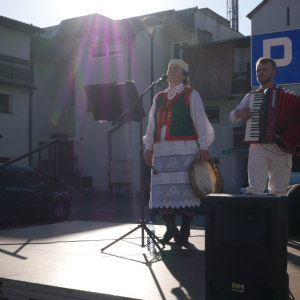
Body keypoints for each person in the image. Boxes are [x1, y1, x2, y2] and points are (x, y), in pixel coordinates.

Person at [143, 59, 214, 245]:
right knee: (162, 191)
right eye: (169, 69)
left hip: (186, 148)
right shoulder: (158, 97)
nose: (171, 71)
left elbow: (200, 121)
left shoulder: (191, 94)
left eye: (176, 69)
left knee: (187, 190)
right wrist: (148, 147)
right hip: (161, 150)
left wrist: (204, 146)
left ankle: (185, 230)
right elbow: (150, 126)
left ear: (184, 75)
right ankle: (170, 228)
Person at [229, 57, 292, 196]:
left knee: (279, 192)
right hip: (257, 146)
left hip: (282, 148)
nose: (261, 73)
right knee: (255, 190)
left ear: (274, 72)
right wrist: (237, 112)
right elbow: (232, 117)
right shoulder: (251, 96)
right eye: (258, 70)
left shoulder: (285, 95)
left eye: (264, 69)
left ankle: (277, 218)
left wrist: (293, 141)